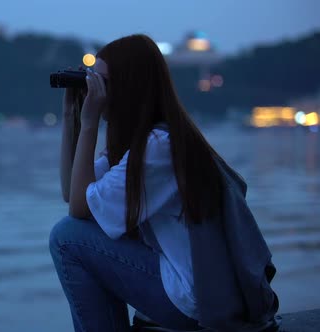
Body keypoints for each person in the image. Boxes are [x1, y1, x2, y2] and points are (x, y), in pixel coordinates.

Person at [49, 34, 279, 332]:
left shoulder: (158, 146)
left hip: (197, 303)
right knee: (79, 230)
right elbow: (72, 193)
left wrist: (91, 122)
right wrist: (72, 117)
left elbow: (78, 210)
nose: (96, 89)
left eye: (101, 81)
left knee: (67, 237)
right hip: (194, 292)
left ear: (128, 84)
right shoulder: (145, 142)